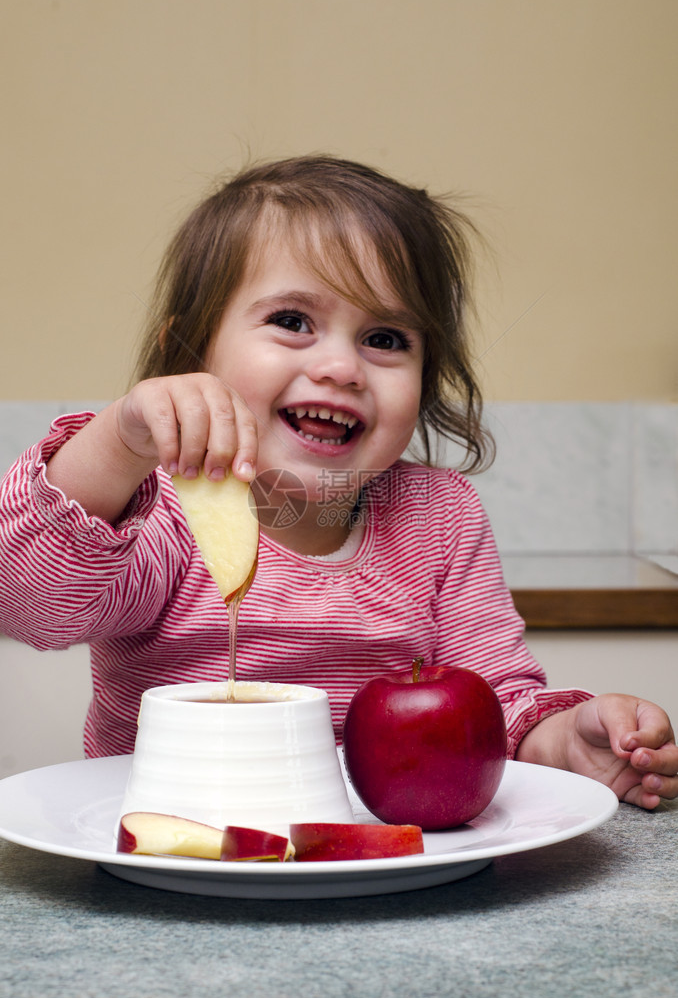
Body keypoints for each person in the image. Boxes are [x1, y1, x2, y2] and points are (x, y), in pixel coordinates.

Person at [0, 156, 676, 810]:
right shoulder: (159, 513)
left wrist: (568, 743)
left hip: (378, 862)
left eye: (385, 338)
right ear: (191, 354)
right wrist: (121, 440)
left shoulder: (438, 517)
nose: (341, 367)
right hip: (174, 844)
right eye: (293, 322)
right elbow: (30, 603)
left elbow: (494, 708)